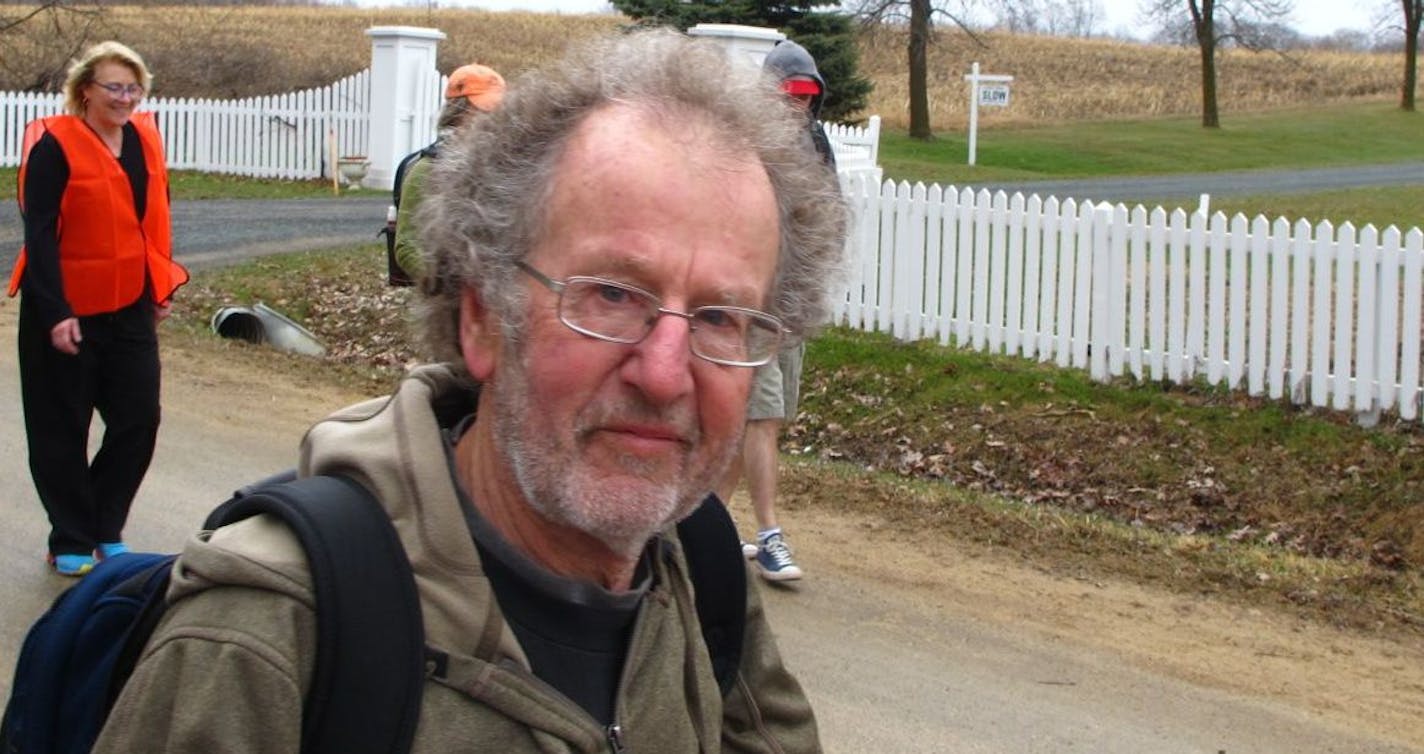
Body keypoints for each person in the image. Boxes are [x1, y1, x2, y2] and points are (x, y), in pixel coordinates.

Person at [95, 29, 845, 751]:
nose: (663, 371)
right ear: (484, 318)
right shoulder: (269, 637)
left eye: (720, 316)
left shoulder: (701, 567)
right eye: (611, 295)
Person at [7, 41, 188, 577]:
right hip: (62, 307)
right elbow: (38, 233)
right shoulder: (54, 145)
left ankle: (105, 526)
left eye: (133, 88)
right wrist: (56, 309)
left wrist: (159, 290)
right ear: (85, 89)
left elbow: (154, 219)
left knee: (138, 419)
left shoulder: (142, 141)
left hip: (130, 302)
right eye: (114, 87)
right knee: (61, 425)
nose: (125, 98)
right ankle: (70, 536)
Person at [718, 38, 838, 583]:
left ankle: (703, 529)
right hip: (757, 303)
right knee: (760, 418)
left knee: (762, 423)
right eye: (790, 95)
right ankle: (770, 536)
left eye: (807, 96)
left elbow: (825, 217)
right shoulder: (748, 144)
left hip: (794, 304)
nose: (799, 106)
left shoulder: (817, 142)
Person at [391, 62, 505, 284]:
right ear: (459, 112)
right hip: (447, 302)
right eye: (485, 110)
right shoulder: (427, 170)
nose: (494, 119)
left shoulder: (505, 167)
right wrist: (452, 288)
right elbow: (406, 247)